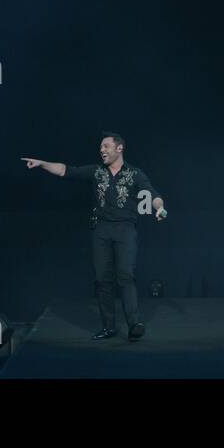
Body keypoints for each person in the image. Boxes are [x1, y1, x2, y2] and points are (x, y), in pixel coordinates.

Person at [23, 132, 166, 341]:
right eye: (101, 147)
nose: (102, 150)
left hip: (125, 229)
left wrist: (160, 209)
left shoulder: (135, 174)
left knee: (125, 276)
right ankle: (109, 326)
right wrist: (43, 163)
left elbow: (153, 195)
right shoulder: (97, 172)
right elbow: (66, 170)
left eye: (106, 146)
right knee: (102, 280)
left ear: (119, 148)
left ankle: (134, 323)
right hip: (101, 230)